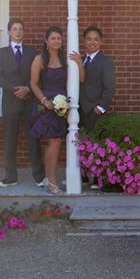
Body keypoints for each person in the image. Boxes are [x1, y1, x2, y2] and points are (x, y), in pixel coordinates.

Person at [29, 26, 84, 195]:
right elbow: (33, 83)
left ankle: (49, 179)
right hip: (47, 105)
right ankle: (51, 181)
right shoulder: (40, 59)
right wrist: (44, 100)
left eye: (59, 38)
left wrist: (79, 63)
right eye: (53, 38)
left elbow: (80, 79)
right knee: (53, 142)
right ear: (46, 41)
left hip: (61, 106)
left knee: (55, 142)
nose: (56, 41)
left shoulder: (66, 59)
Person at [0, 18, 44, 188]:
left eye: (21, 29)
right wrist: (15, 90)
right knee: (10, 141)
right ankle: (10, 177)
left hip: (29, 102)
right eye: (14, 29)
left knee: (33, 140)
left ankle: (39, 176)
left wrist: (28, 89)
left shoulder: (32, 53)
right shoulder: (0, 53)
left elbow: (38, 75)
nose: (18, 32)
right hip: (10, 102)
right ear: (9, 32)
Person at [79, 26, 116, 134]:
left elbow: (110, 88)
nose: (92, 42)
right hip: (79, 110)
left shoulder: (106, 62)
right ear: (84, 41)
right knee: (79, 144)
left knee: (93, 145)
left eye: (96, 39)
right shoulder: (80, 60)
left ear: (101, 42)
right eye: (89, 39)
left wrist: (99, 108)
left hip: (94, 111)